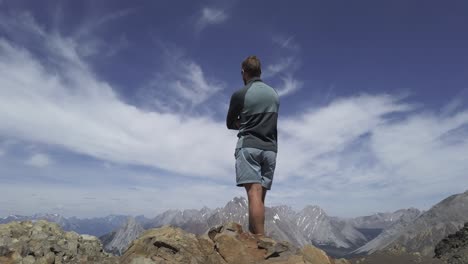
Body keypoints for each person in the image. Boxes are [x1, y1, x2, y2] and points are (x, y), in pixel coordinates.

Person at [226, 55, 280, 237]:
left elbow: (229, 122)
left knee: (253, 194)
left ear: (244, 72)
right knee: (260, 197)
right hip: (271, 149)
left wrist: (242, 122)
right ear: (260, 71)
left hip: (249, 146)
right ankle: (255, 236)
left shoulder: (241, 94)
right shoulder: (274, 94)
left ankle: (261, 241)